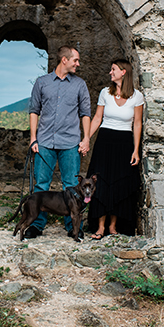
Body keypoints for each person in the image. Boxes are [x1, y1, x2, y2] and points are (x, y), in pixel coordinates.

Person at [26, 45, 92, 239]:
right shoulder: (42, 82)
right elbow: (33, 111)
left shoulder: (80, 85)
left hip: (70, 143)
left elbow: (85, 113)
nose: (78, 64)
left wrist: (86, 138)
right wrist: (33, 138)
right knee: (41, 186)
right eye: (75, 60)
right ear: (64, 60)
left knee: (72, 186)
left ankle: (73, 227)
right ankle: (36, 225)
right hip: (44, 141)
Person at [86, 59, 144, 239]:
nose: (110, 73)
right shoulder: (105, 93)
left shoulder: (137, 96)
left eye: (113, 70)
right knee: (101, 182)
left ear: (123, 72)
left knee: (120, 183)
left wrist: (135, 150)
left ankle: (113, 226)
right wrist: (86, 138)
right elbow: (97, 118)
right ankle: (100, 226)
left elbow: (137, 124)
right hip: (105, 141)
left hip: (124, 142)